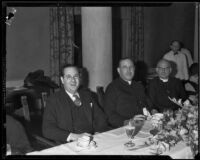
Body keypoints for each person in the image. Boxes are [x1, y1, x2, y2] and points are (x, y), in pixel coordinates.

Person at [42, 64, 110, 144]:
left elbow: (101, 118)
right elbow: (47, 129)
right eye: (68, 77)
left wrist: (98, 133)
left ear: (79, 78)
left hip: (92, 140)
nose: (73, 80)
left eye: (76, 76)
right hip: (69, 144)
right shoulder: (54, 100)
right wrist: (73, 136)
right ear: (62, 80)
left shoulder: (88, 96)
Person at [104, 57, 151, 128]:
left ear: (134, 69)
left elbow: (146, 104)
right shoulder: (112, 88)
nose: (129, 70)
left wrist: (152, 111)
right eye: (125, 67)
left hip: (142, 124)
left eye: (131, 67)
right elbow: (109, 115)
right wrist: (128, 122)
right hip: (123, 127)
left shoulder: (139, 86)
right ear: (119, 70)